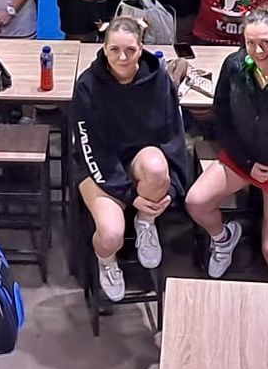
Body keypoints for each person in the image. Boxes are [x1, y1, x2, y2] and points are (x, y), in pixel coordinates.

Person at [186, 6, 268, 286]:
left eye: (265, 43)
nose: (257, 51)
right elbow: (222, 117)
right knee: (196, 202)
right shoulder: (234, 66)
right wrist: (247, 163)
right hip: (241, 158)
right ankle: (223, 238)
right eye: (250, 43)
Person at [71, 17, 194, 301]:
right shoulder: (87, 85)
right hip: (98, 166)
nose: (122, 58)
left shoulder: (159, 79)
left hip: (139, 158)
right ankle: (106, 262)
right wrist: (129, 195)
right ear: (104, 48)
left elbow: (173, 134)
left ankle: (145, 222)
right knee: (111, 234)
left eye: (130, 50)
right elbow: (92, 150)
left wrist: (174, 186)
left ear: (141, 48)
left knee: (156, 168)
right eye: (114, 50)